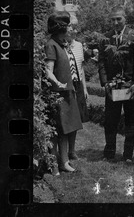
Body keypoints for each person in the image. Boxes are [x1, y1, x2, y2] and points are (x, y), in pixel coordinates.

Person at [98, 6, 134, 163]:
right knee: (110, 121)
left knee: (131, 121)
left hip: (131, 85)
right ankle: (109, 153)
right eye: (112, 19)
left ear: (125, 19)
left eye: (119, 19)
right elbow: (102, 62)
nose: (115, 22)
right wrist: (105, 83)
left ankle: (128, 155)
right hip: (112, 86)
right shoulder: (105, 38)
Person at [45, 11, 83, 174]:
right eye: (67, 27)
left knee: (66, 130)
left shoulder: (62, 45)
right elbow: (48, 71)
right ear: (60, 29)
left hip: (67, 93)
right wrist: (57, 82)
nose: (70, 30)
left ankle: (64, 162)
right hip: (57, 94)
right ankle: (54, 165)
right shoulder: (51, 45)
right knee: (55, 132)